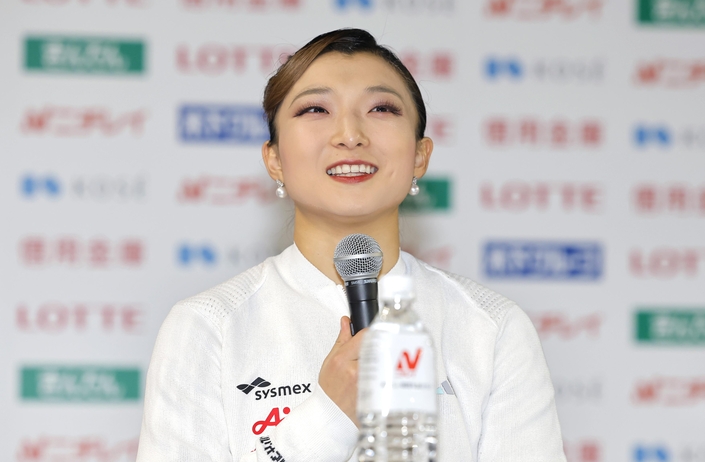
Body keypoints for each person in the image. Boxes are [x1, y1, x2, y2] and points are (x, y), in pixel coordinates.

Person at [136, 28, 566, 462]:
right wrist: (330, 416)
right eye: (315, 109)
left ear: (420, 155)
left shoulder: (491, 328)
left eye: (381, 108)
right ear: (274, 159)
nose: (350, 134)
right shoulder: (208, 327)